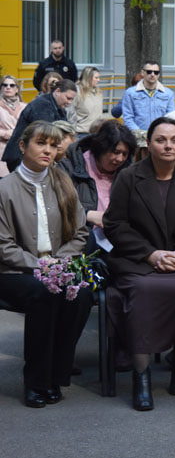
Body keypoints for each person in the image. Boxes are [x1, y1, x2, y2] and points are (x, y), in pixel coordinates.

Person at [103, 117, 175, 411]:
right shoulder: (129, 177)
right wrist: (150, 254)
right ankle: (141, 376)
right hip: (139, 261)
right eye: (161, 140)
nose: (168, 145)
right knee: (142, 290)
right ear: (148, 143)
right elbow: (115, 224)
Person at [0, 122, 92, 407]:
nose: (48, 150)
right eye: (41, 143)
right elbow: (3, 246)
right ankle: (36, 381)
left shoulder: (63, 183)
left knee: (83, 292)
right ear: (23, 146)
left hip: (59, 263)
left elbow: (80, 234)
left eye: (53, 145)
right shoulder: (4, 189)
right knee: (44, 293)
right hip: (15, 270)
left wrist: (61, 262)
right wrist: (39, 266)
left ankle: (57, 375)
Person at [59, 120, 136, 250]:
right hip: (81, 241)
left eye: (125, 154)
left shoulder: (128, 172)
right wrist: (88, 215)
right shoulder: (69, 168)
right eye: (115, 152)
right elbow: (56, 208)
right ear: (101, 148)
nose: (120, 159)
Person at [3, 79, 77, 172]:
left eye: (72, 100)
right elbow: (44, 135)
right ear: (57, 91)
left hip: (28, 155)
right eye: (68, 98)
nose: (69, 102)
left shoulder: (57, 107)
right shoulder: (42, 105)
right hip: (21, 157)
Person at [122, 61, 175, 132]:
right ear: (142, 73)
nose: (153, 74)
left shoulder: (168, 93)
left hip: (161, 136)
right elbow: (128, 118)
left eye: (156, 72)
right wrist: (139, 133)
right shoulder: (130, 93)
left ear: (159, 74)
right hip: (137, 137)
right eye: (149, 72)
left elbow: (170, 118)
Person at [0, 75, 27, 177]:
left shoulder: (25, 106)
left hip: (21, 149)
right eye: (5, 85)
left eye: (12, 85)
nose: (8, 87)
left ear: (17, 89)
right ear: (1, 88)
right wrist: (6, 133)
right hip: (3, 150)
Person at [69, 66, 104, 136]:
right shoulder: (77, 92)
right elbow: (70, 112)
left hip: (97, 133)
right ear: (88, 78)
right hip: (81, 132)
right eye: (96, 78)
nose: (99, 80)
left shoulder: (99, 92)